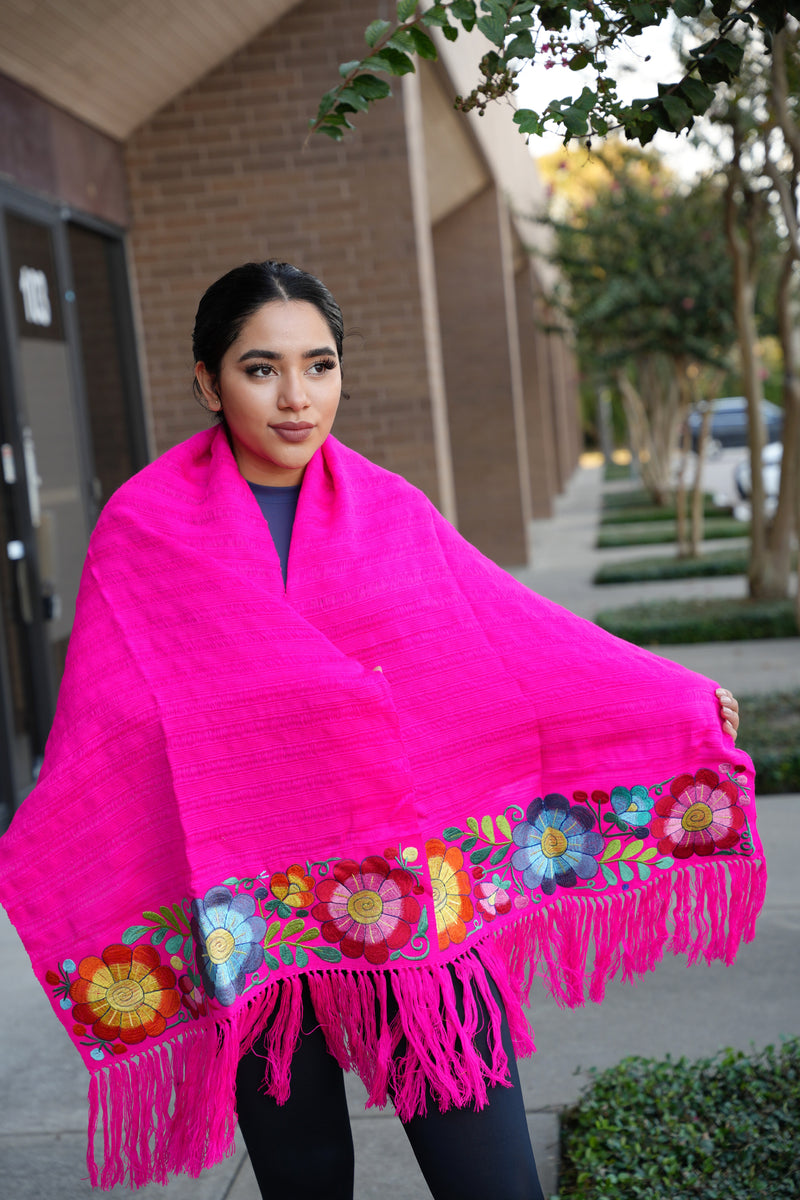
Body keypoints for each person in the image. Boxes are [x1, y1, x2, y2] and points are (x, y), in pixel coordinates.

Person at [0, 262, 756, 1200]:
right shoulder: (144, 531)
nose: (296, 398)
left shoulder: (391, 512)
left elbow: (504, 643)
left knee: (493, 1178)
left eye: (318, 366)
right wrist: (59, 836)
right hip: (256, 919)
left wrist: (668, 696)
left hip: (410, 896)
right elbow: (117, 718)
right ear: (207, 381)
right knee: (304, 1176)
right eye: (260, 368)